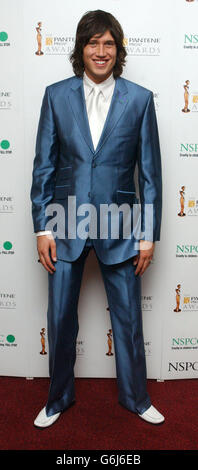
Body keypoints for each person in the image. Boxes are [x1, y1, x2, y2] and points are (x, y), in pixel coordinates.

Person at [31, 10, 164, 428]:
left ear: (118, 50)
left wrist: (147, 235)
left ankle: (136, 399)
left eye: (108, 44)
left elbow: (150, 174)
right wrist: (42, 226)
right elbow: (44, 168)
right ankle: (58, 399)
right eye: (93, 43)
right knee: (59, 319)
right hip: (64, 221)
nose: (101, 51)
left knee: (127, 320)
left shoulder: (140, 99)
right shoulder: (55, 96)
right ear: (81, 49)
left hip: (122, 226)